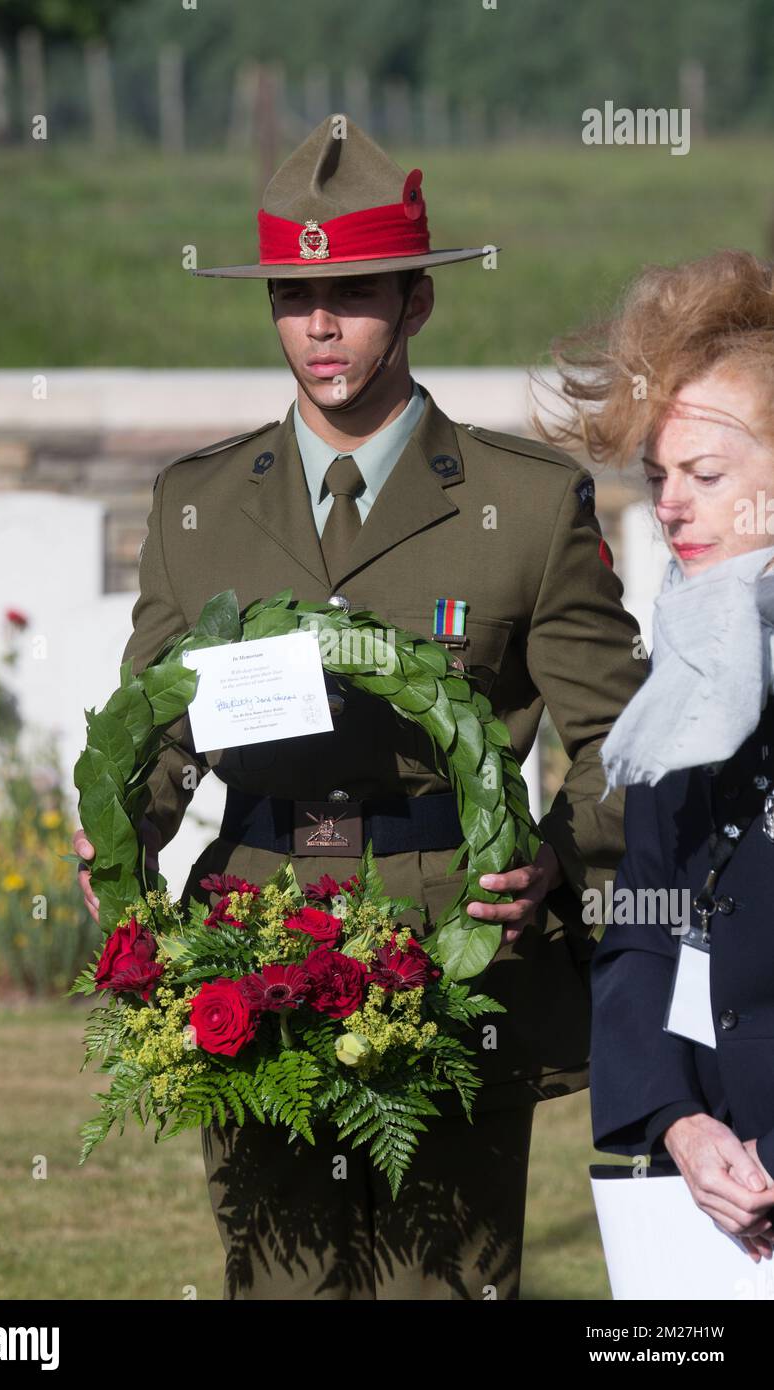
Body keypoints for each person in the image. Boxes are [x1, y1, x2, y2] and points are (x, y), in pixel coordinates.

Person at [73, 113, 646, 1299]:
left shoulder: (526, 505)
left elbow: (621, 746)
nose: (320, 326)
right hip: (248, 943)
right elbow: (159, 726)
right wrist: (119, 834)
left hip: (452, 958)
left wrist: (543, 862)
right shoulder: (196, 506)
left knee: (442, 1283)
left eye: (354, 293)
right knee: (275, 1282)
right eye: (293, 293)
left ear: (417, 301)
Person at [542, 248, 774, 1265]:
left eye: (705, 475)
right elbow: (641, 921)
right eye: (655, 477)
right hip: (705, 1174)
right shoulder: (677, 677)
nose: (668, 506)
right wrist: (677, 1120)